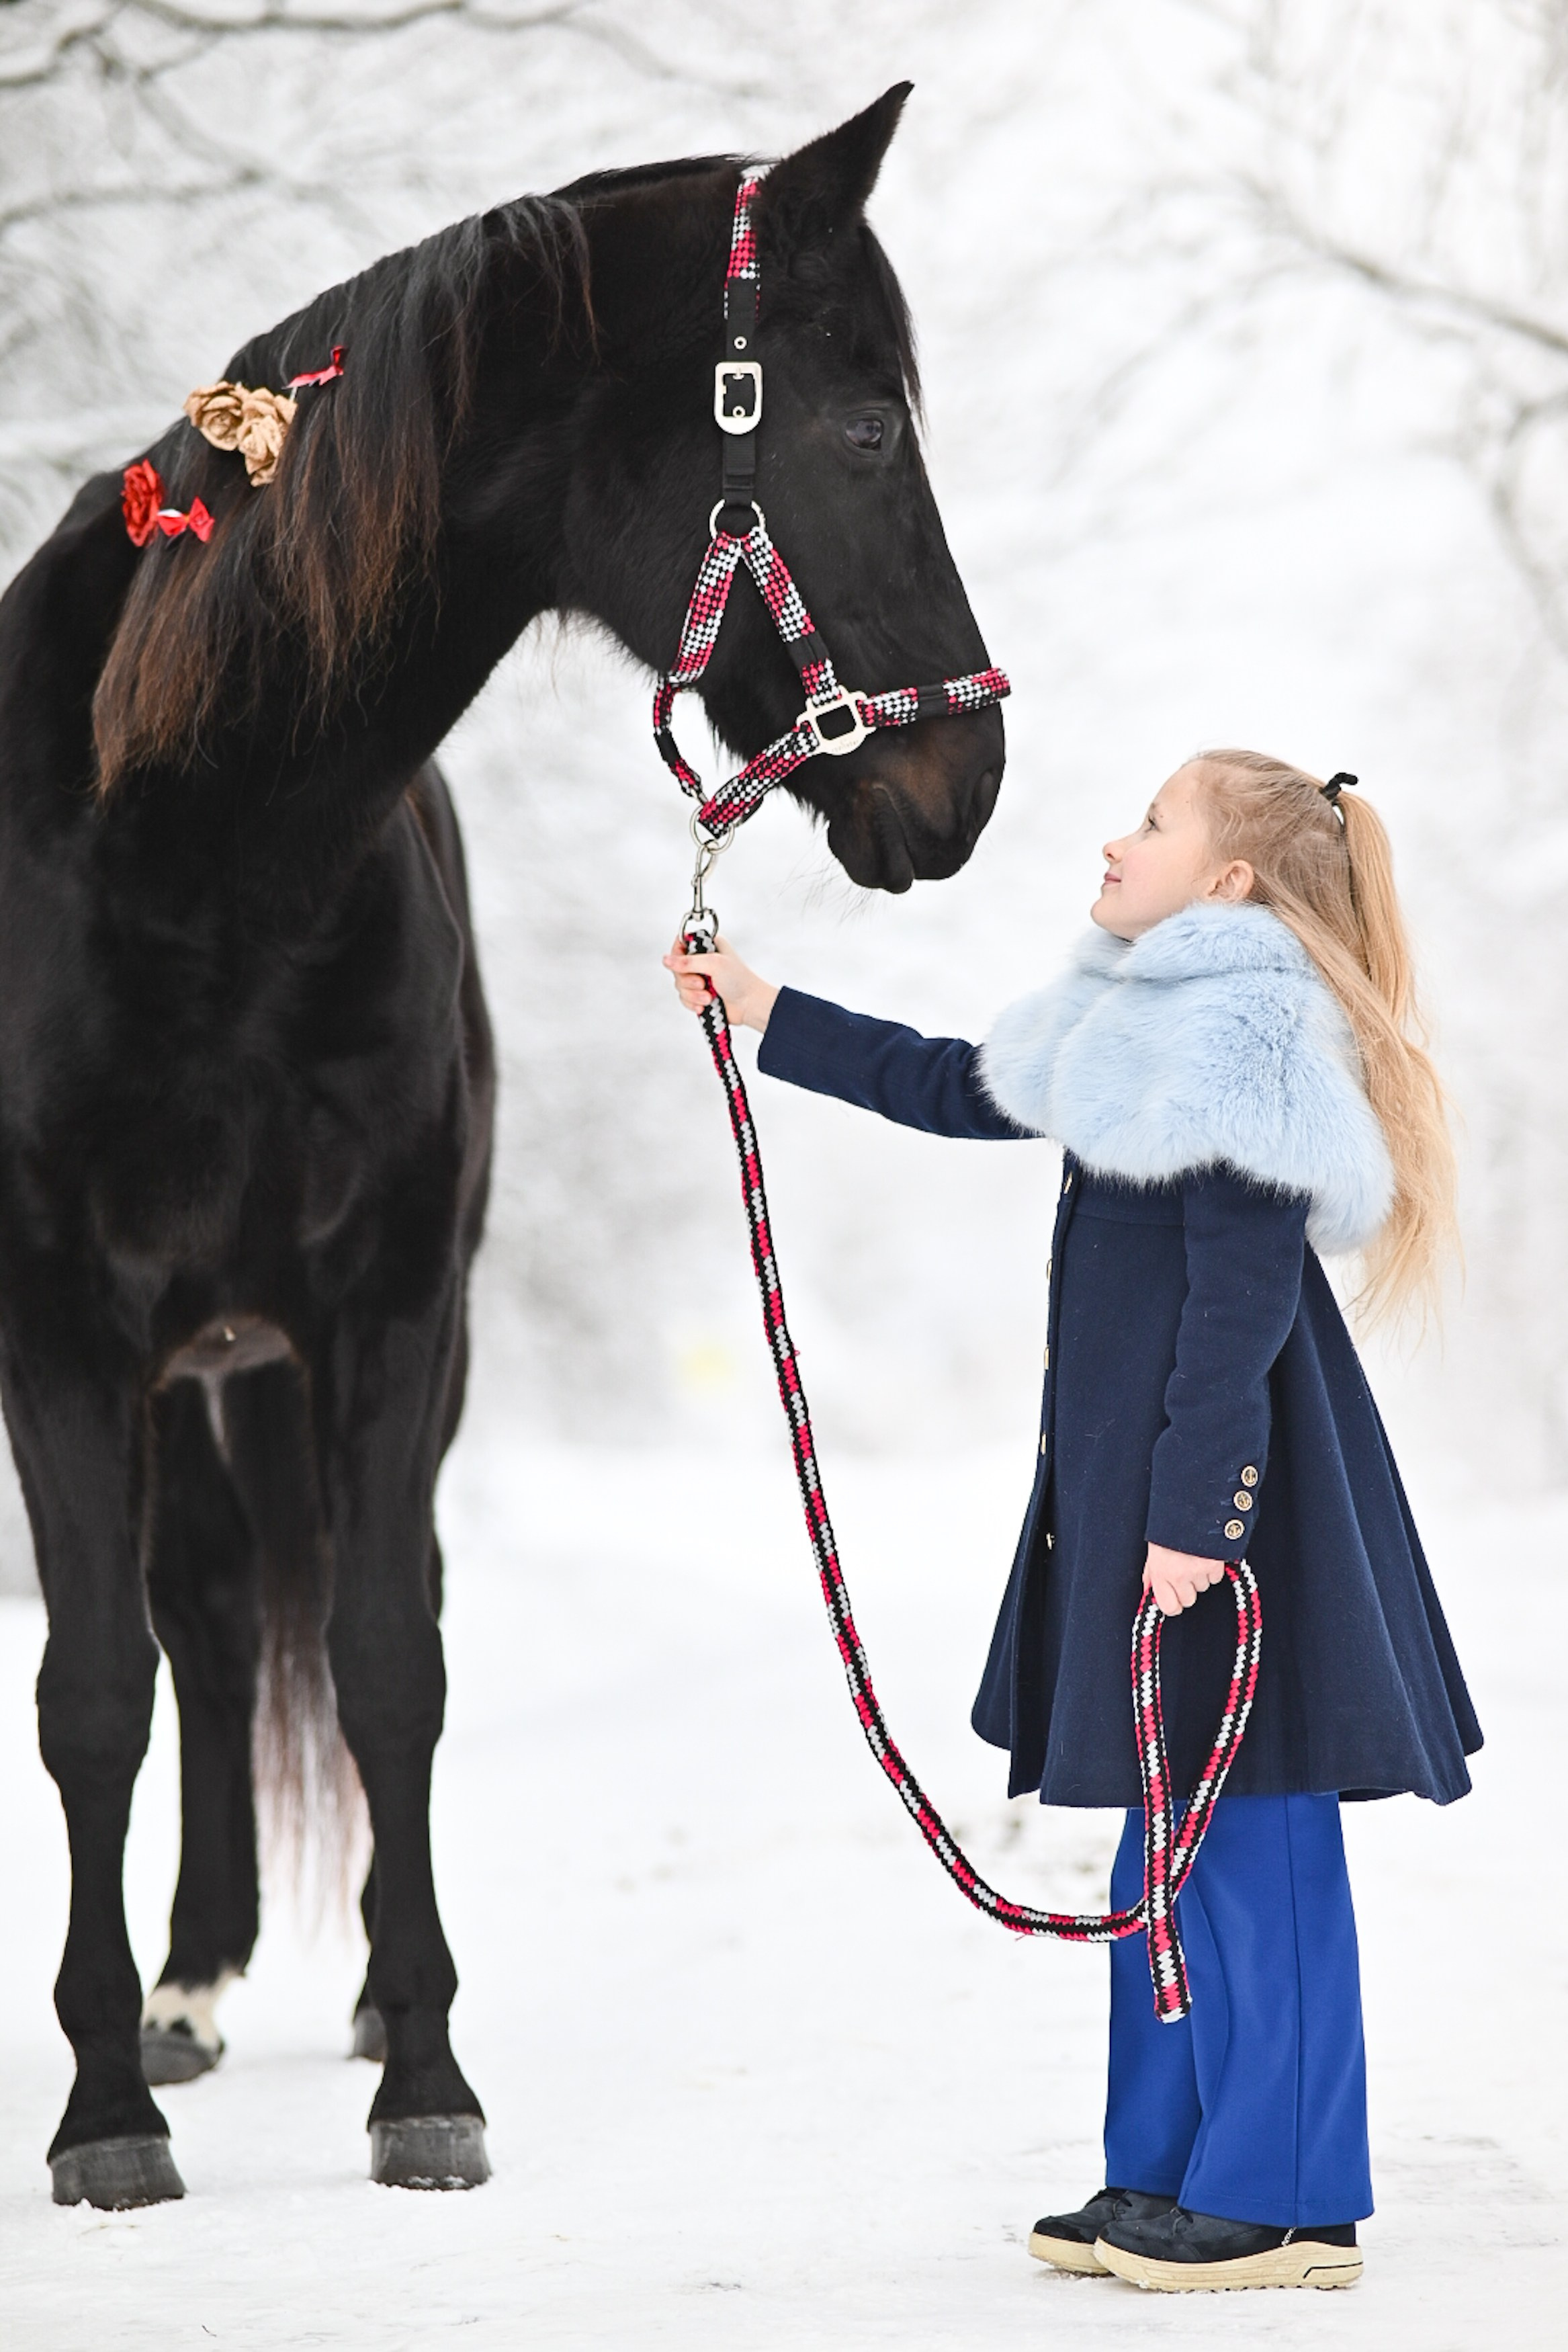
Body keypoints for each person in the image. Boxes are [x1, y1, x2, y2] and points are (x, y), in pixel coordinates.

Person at [664, 749, 1481, 2294]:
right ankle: (1165, 2170)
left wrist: (1196, 1521)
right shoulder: (1138, 1022)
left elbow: (1238, 1314)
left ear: (1230, 881)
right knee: (1162, 1844)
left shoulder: (1244, 1038)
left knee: (1252, 1836)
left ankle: (1287, 2200)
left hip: (1236, 1514)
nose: (1118, 838)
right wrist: (768, 1007)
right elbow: (957, 1083)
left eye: (1155, 823)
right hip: (1157, 1505)